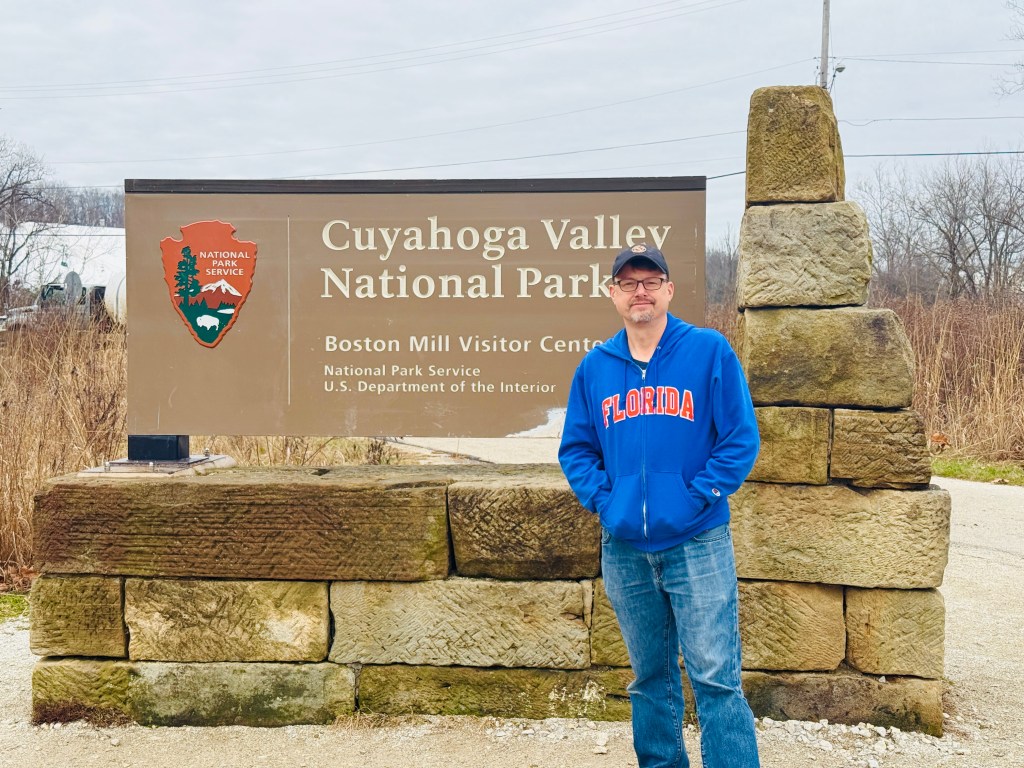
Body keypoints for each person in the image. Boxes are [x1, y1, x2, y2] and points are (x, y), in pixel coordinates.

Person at [558, 243, 761, 768]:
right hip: (624, 548)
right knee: (649, 677)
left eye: (650, 281)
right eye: (628, 283)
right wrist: (607, 502)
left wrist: (700, 495)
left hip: (698, 541)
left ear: (669, 290)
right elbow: (576, 449)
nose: (639, 291)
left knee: (715, 676)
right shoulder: (596, 368)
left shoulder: (708, 351)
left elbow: (740, 439)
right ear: (613, 294)